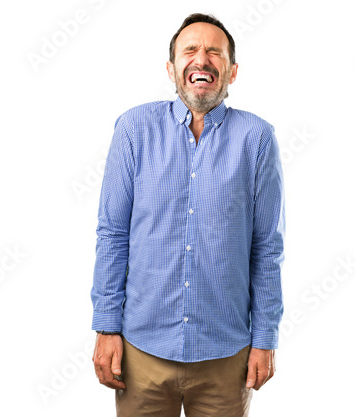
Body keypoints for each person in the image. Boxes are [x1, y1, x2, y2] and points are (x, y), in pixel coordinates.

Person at [90, 13, 284, 416]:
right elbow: (112, 234)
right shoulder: (134, 129)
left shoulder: (257, 138)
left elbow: (267, 247)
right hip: (141, 352)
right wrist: (106, 326)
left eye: (215, 52)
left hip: (227, 356)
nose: (202, 59)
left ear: (232, 71)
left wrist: (265, 337)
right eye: (190, 50)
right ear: (171, 68)